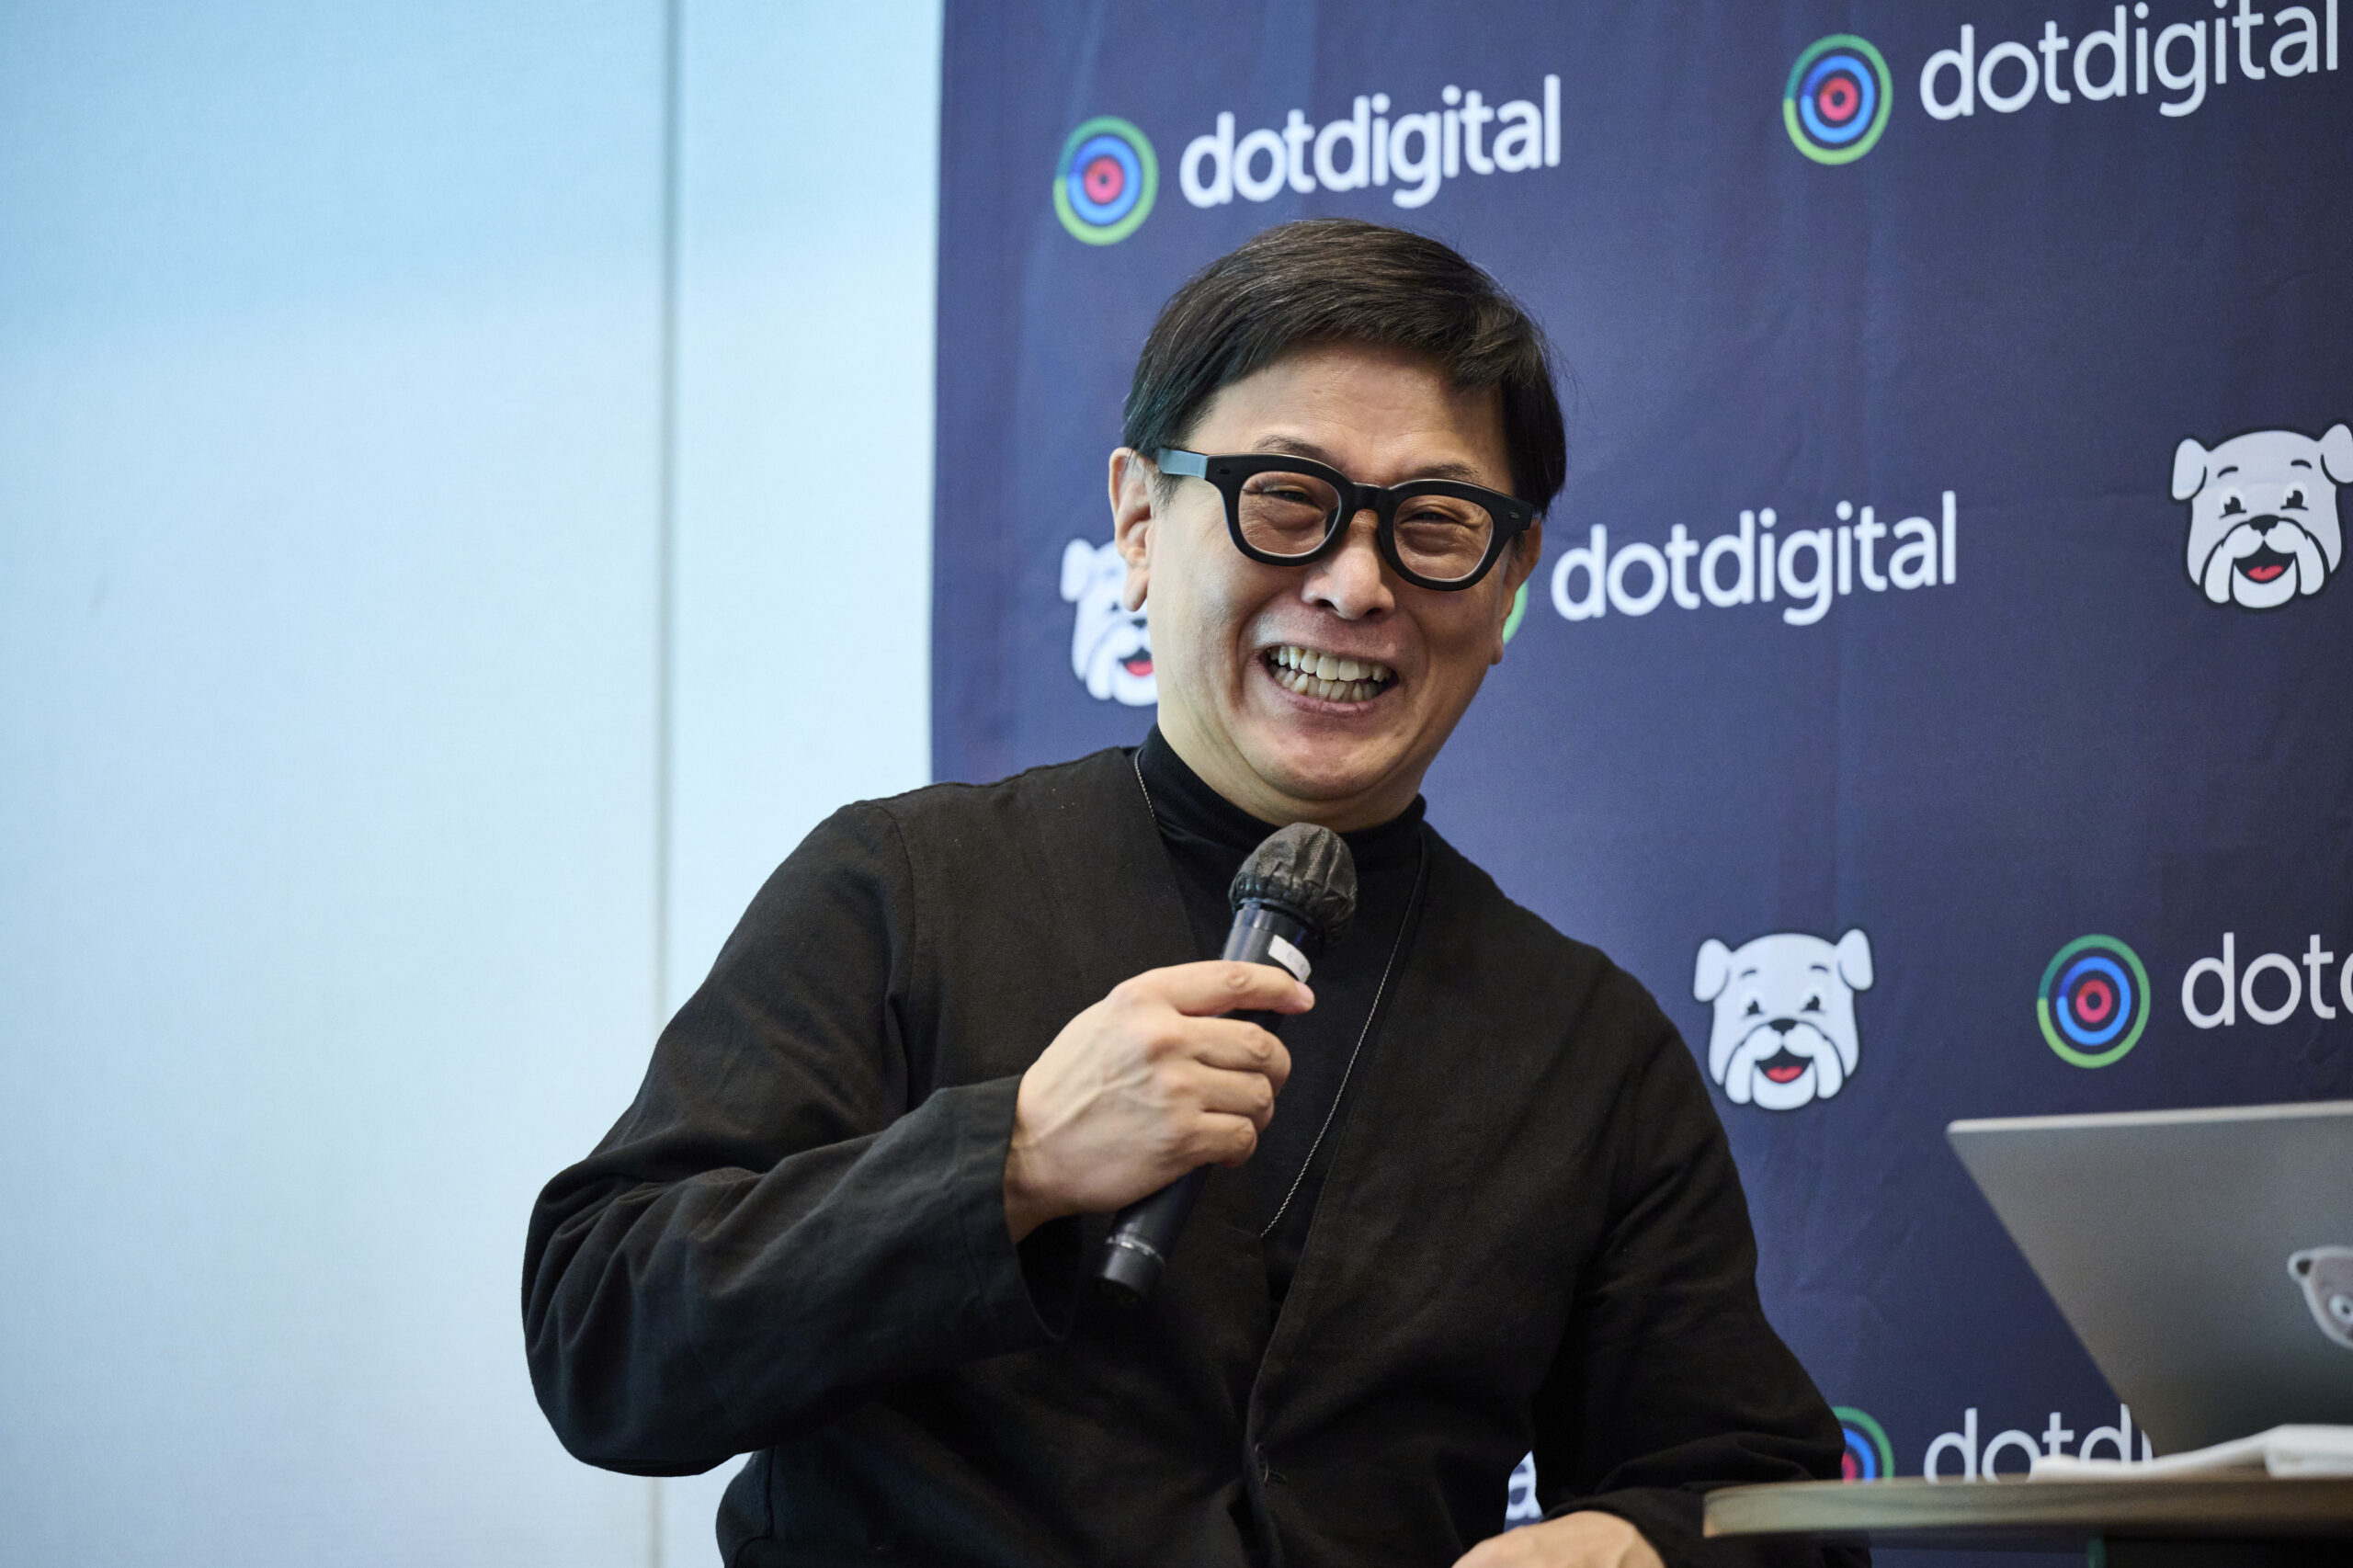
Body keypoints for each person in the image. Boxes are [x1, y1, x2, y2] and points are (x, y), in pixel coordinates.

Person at [524, 219, 1860, 1568]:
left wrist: (1640, 1544)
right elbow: (604, 1337)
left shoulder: (1585, 1045)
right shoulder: (903, 889)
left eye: (1437, 526)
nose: (1356, 583)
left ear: (1510, 578)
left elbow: (1764, 1497)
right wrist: (1012, 1158)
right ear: (1138, 523)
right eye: (1286, 498)